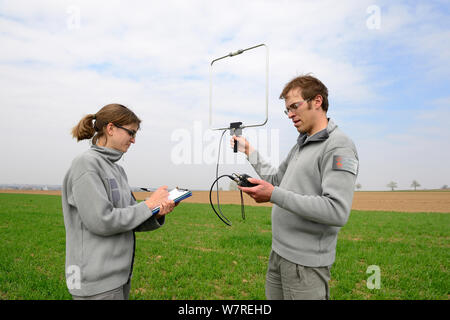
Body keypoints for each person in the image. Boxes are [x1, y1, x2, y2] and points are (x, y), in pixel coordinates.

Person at [231, 75, 359, 300]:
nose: (290, 115)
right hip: (279, 253)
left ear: (317, 101)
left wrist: (273, 195)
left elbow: (336, 211)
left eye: (294, 107)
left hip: (305, 266)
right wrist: (248, 150)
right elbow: (277, 179)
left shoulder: (339, 146)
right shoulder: (301, 145)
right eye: (287, 110)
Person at [62, 103, 175, 300]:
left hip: (119, 277)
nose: (133, 140)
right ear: (111, 128)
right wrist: (148, 204)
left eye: (135, 135)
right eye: (131, 133)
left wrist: (155, 212)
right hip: (96, 282)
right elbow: (101, 221)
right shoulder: (86, 164)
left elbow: (129, 217)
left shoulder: (117, 169)